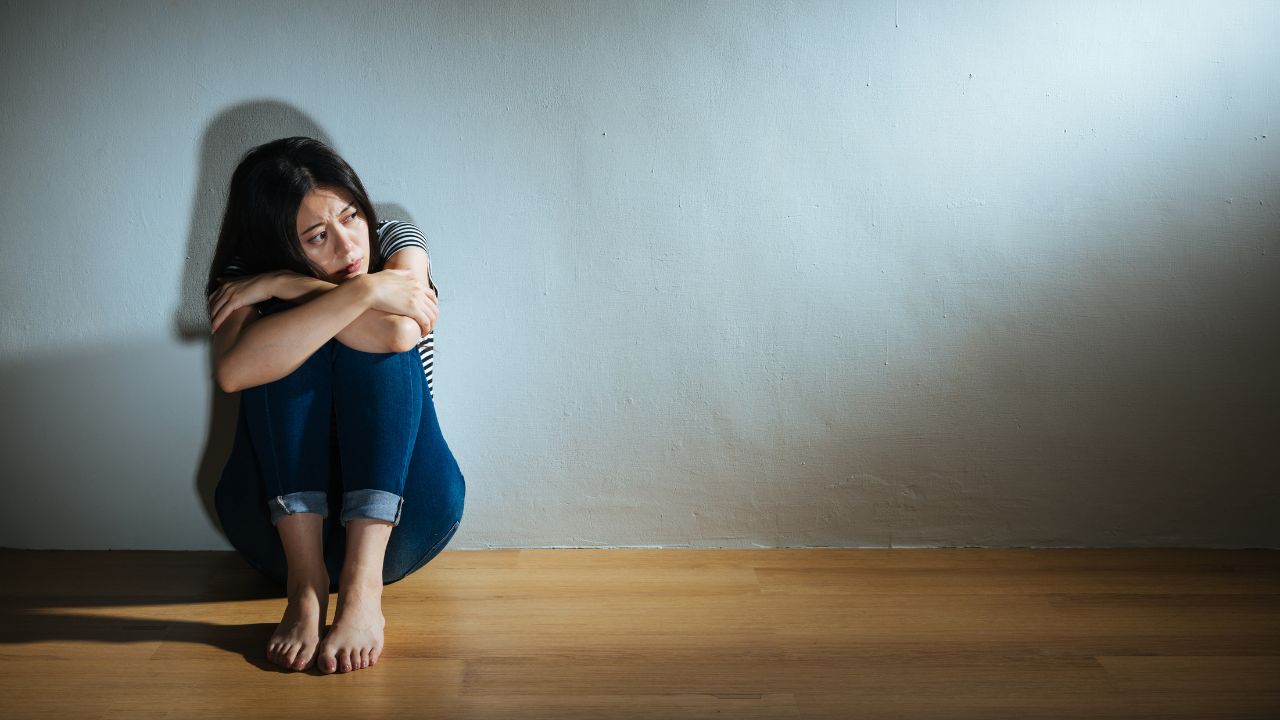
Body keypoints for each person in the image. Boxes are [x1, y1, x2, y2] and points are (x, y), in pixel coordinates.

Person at [205, 137, 465, 675]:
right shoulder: (244, 273)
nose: (349, 247)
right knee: (275, 350)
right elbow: (235, 370)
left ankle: (362, 589)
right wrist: (356, 292)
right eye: (318, 237)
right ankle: (305, 589)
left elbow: (397, 333)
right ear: (277, 243)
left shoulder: (396, 237)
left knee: (372, 350)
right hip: (274, 528)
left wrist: (286, 286)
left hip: (405, 518)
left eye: (350, 217)